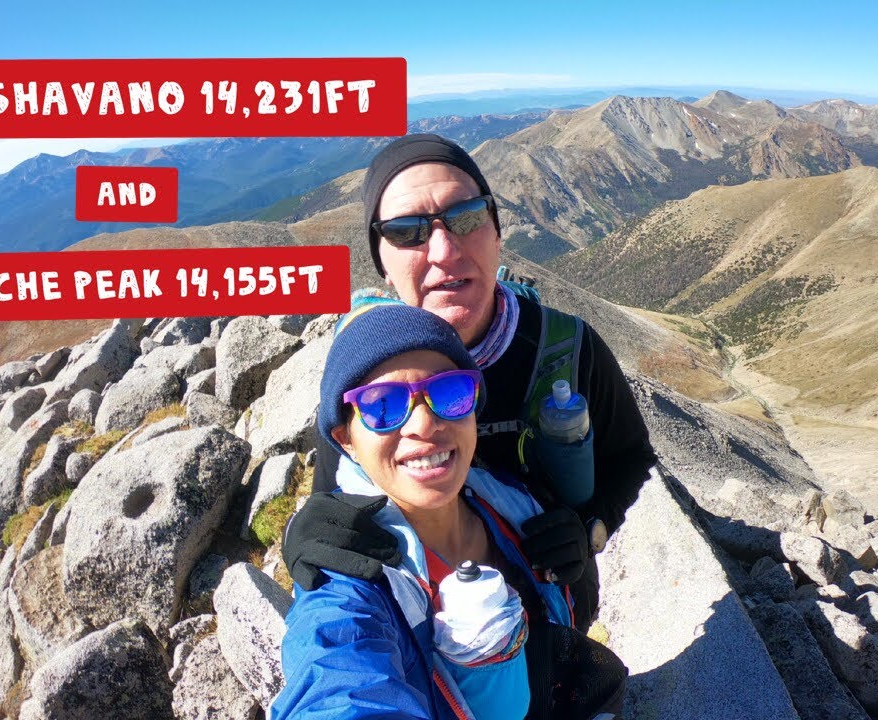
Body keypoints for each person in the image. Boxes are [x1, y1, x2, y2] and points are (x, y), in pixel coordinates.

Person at [284, 134, 660, 630]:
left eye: (465, 217)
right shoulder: (363, 373)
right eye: (407, 231)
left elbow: (631, 457)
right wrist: (310, 535)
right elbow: (336, 501)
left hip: (559, 606)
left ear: (497, 233)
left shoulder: (568, 348)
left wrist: (591, 529)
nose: (444, 250)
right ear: (382, 265)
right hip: (429, 639)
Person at [272, 302, 625, 720]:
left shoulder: (511, 505)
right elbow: (337, 681)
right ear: (345, 440)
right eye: (382, 405)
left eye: (449, 392)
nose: (424, 424)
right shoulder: (348, 578)